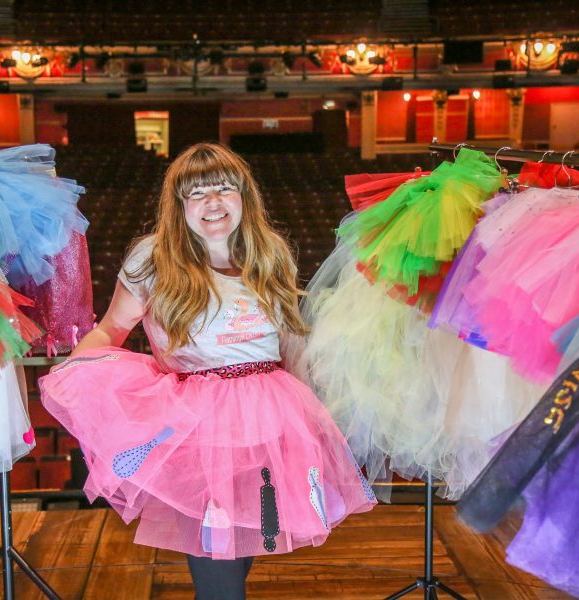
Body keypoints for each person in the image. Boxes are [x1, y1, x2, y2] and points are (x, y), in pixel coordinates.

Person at [40, 143, 376, 600]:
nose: (213, 203)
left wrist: (314, 422)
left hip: (270, 424)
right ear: (179, 206)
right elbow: (113, 328)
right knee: (221, 578)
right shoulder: (153, 259)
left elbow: (291, 343)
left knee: (240, 557)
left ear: (244, 196)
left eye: (224, 188)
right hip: (199, 429)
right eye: (196, 194)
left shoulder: (270, 252)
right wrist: (73, 376)